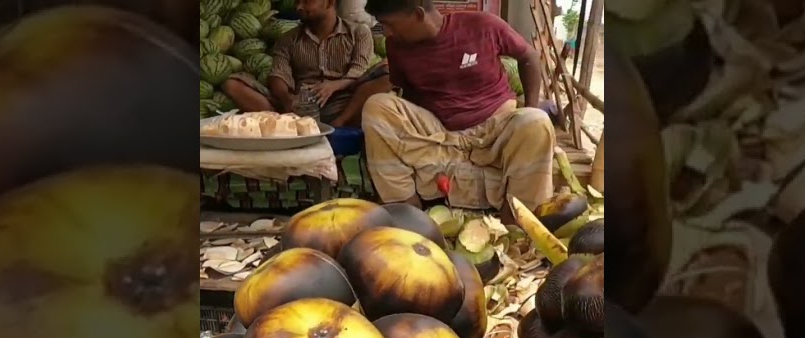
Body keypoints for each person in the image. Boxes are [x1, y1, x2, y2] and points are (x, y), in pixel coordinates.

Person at [361, 0, 554, 220]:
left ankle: (517, 220)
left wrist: (529, 107)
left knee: (536, 121)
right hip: (442, 136)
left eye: (390, 24)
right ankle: (407, 210)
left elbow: (528, 56)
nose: (386, 32)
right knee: (377, 106)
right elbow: (408, 94)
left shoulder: (483, 25)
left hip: (496, 131)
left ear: (417, 14)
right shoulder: (396, 45)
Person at [220, 0, 393, 127]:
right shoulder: (287, 39)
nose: (299, 7)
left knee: (388, 74)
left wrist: (334, 85)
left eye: (307, 2)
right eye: (297, 2)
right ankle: (286, 123)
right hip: (300, 107)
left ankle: (340, 124)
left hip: (344, 104)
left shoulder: (358, 33)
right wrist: (288, 101)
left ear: (330, 2)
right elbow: (278, 75)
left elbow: (359, 71)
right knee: (233, 85)